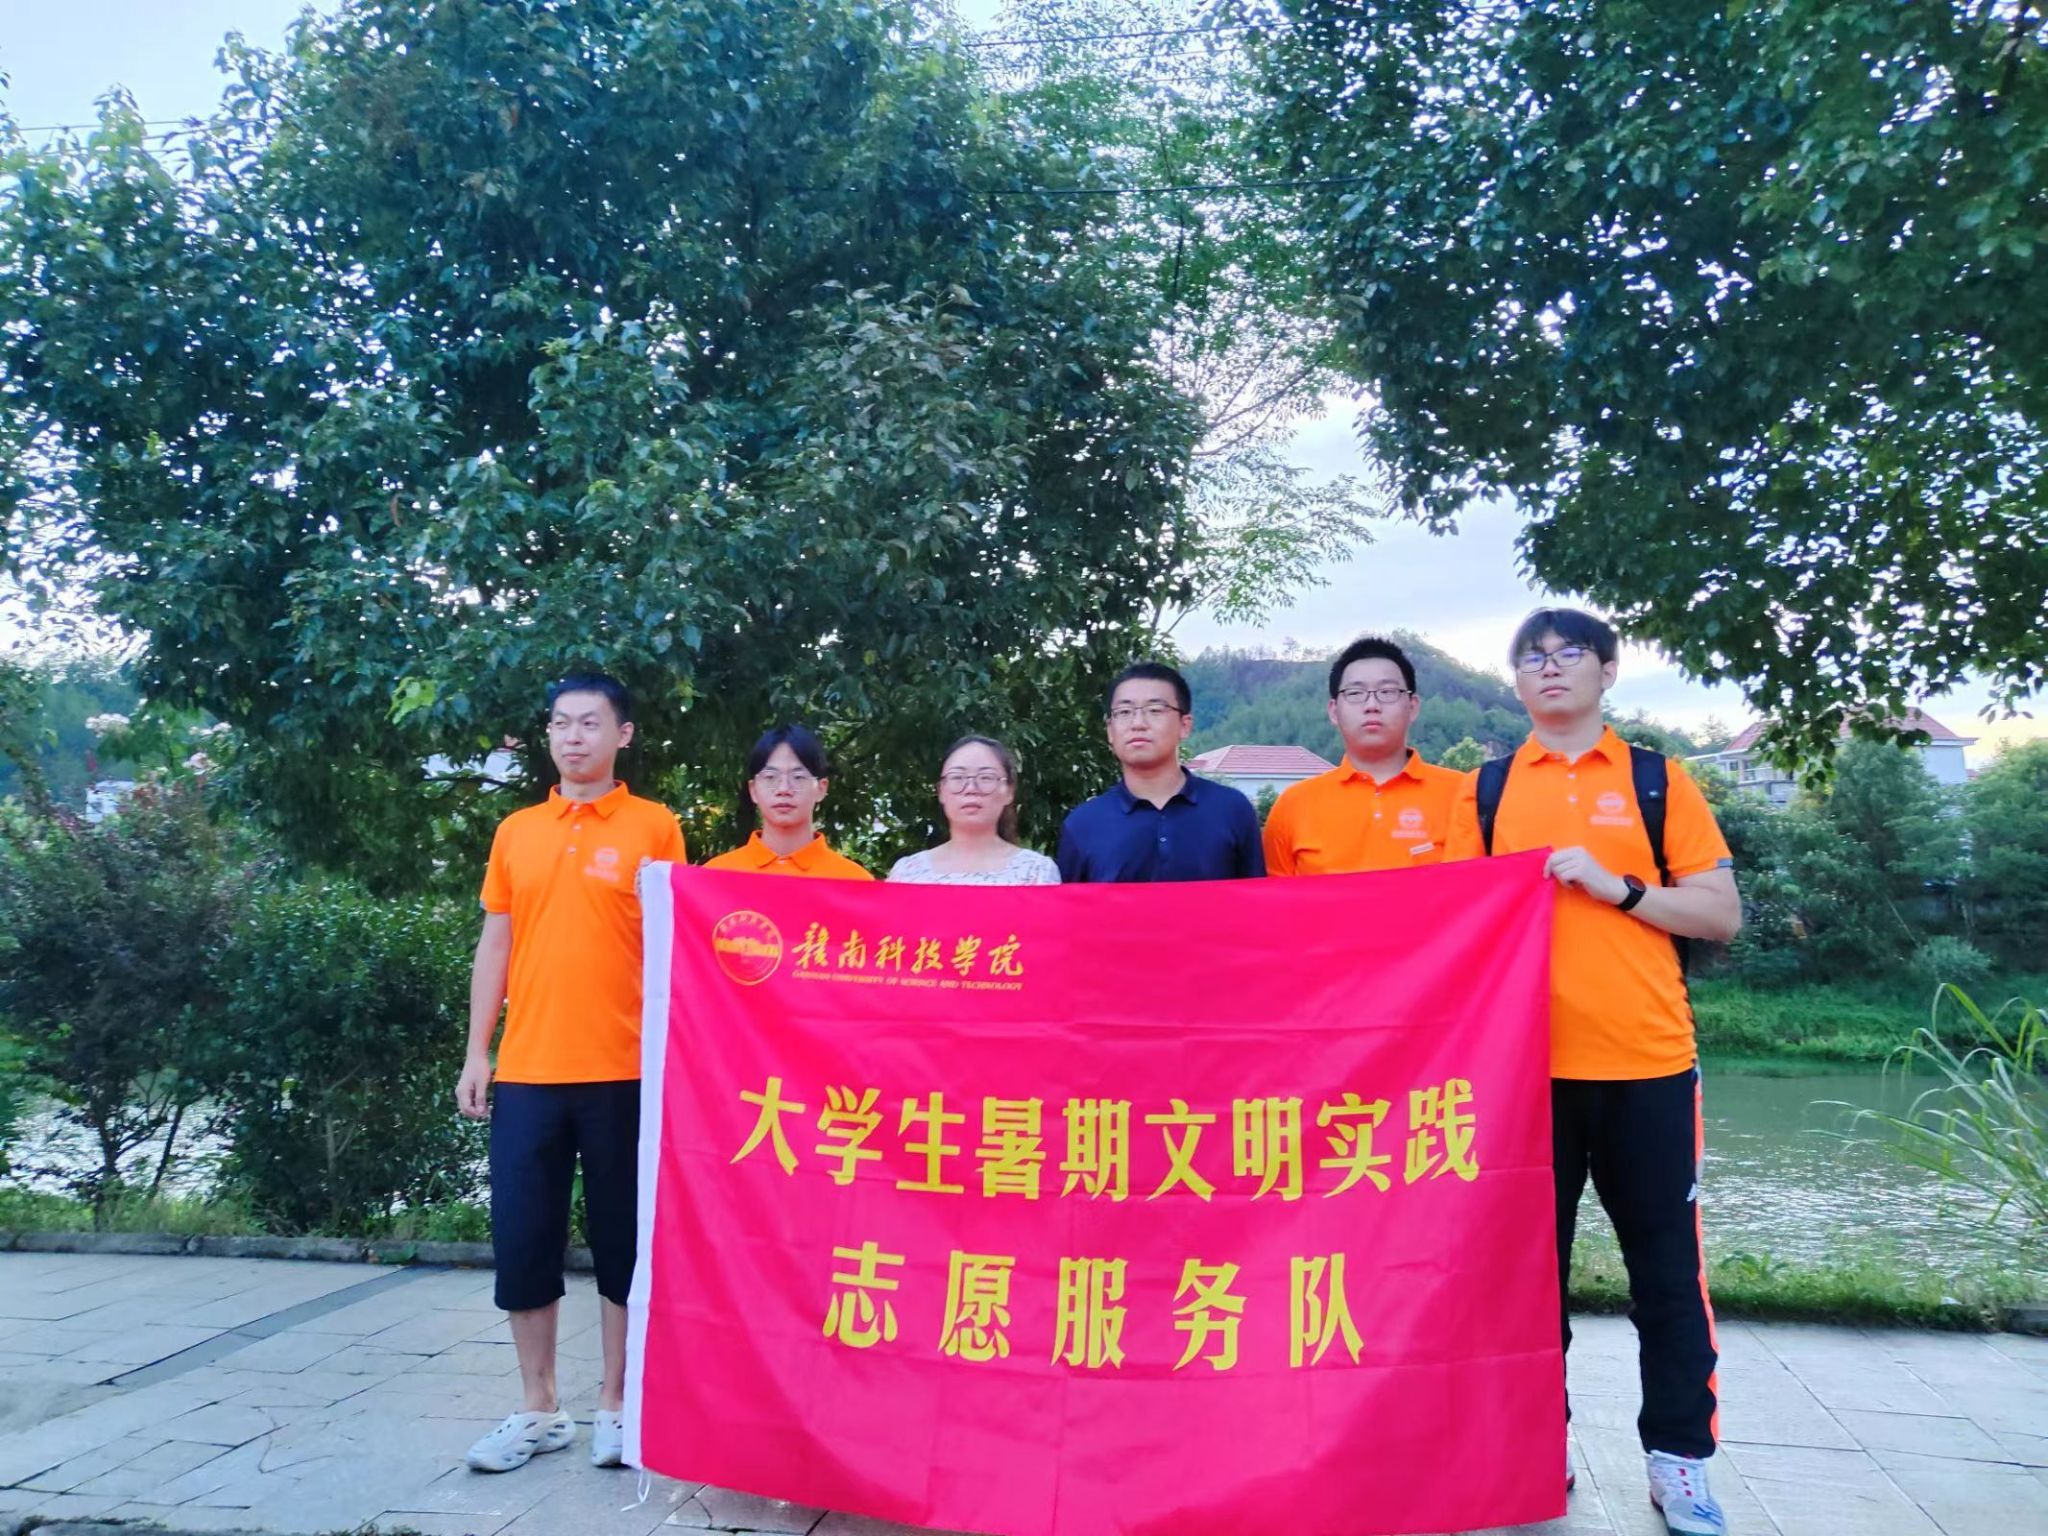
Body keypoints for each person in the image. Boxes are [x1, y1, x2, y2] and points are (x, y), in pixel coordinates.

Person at [1443, 609, 1742, 1536]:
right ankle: (1538, 1446)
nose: (1549, 668)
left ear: (1608, 671)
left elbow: (1720, 914)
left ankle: (1680, 1462)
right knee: (1525, 1285)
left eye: (1569, 653)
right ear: (1515, 680)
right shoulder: (1485, 790)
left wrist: (1619, 888)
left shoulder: (1658, 779)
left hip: (1648, 1064)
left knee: (1668, 1277)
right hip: (1520, 1078)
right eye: (1531, 657)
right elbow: (1445, 924)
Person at [458, 672, 687, 1474]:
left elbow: (675, 946)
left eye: (590, 723)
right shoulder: (516, 831)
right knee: (524, 1238)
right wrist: (478, 1050)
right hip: (528, 1071)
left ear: (622, 735)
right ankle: (538, 1408)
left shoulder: (656, 827)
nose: (573, 737)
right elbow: (496, 942)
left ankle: (618, 1406)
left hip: (625, 1071)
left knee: (623, 1245)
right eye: (561, 723)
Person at [1262, 635, 1465, 874]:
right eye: (1355, 693)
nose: (1372, 705)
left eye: (1387, 691)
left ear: (1412, 706)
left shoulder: (1463, 795)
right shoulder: (1294, 805)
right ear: (1334, 711)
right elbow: (1274, 896)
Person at [1055, 662, 1264, 882]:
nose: (1138, 723)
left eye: (1154, 710)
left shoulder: (1231, 810)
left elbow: (1255, 899)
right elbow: (1069, 904)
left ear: (1185, 725)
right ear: (1110, 730)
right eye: (1124, 712)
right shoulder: (1083, 824)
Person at [703, 724, 873, 880]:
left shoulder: (854, 881)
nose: (783, 789)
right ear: (753, 790)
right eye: (771, 777)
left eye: (798, 777)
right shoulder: (714, 877)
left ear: (821, 788)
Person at [888, 735, 1060, 885]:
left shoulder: (1037, 871)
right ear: (941, 791)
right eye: (957, 777)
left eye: (986, 777)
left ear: (1009, 792)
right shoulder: (908, 872)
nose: (971, 788)